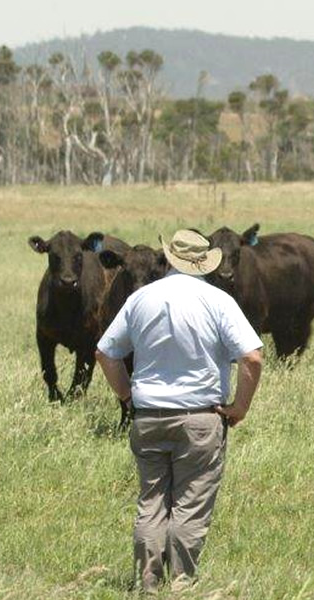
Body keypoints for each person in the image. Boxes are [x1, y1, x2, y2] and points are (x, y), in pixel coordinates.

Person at [95, 228, 264, 591]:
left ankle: (147, 583)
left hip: (148, 417)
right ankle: (182, 584)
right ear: (204, 263)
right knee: (190, 504)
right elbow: (252, 357)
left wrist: (126, 397)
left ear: (169, 259)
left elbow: (105, 353)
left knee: (150, 503)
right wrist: (239, 407)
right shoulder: (217, 301)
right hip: (201, 418)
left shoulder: (141, 299)